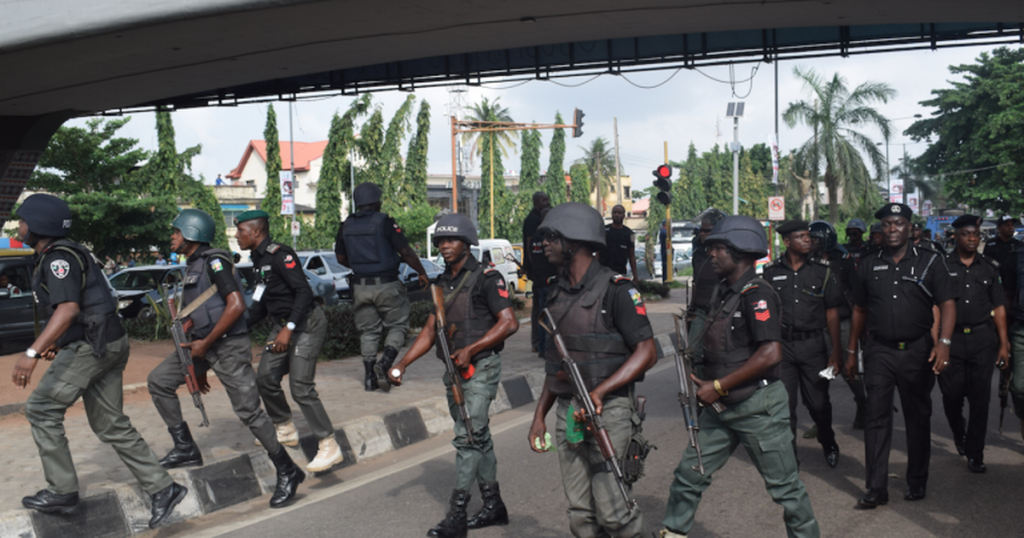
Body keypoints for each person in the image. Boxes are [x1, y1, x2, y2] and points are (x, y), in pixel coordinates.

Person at [11, 194, 186, 527]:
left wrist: (31, 353)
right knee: (110, 423)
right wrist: (58, 341)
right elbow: (87, 305)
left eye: (22, 221)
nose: (19, 226)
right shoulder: (70, 252)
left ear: (38, 225)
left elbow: (68, 309)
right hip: (109, 341)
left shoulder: (58, 258)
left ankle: (62, 491)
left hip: (91, 347)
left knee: (41, 409)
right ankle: (164, 488)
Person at [661, 215, 819, 538]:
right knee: (689, 475)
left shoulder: (757, 294)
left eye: (718, 248)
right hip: (720, 408)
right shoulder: (723, 292)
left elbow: (770, 354)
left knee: (785, 490)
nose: (711, 254)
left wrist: (717, 386)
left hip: (757, 407)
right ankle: (673, 532)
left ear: (740, 251)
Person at [146, 209, 305, 508]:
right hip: (201, 347)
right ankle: (185, 446)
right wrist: (198, 365)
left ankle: (287, 470)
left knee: (249, 412)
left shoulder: (215, 262)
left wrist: (205, 345)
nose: (172, 237)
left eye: (177, 232)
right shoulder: (193, 265)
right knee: (158, 381)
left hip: (227, 346)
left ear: (192, 233)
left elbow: (235, 305)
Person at [528, 202, 657, 538]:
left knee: (615, 514)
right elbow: (555, 367)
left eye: (552, 237)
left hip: (609, 411)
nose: (545, 243)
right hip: (568, 412)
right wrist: (539, 416)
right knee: (581, 517)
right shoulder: (555, 293)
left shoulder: (618, 290)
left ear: (576, 239)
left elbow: (647, 352)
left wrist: (600, 391)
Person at [388, 213, 519, 538]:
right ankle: (494, 505)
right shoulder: (441, 283)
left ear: (467, 243)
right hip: (454, 372)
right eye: (440, 241)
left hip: (481, 367)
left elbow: (509, 323)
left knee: (467, 437)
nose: (444, 246)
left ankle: (457, 515)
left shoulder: (487, 278)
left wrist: (471, 349)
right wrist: (402, 364)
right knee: (478, 437)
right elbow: (430, 329)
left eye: (451, 240)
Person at [844, 202, 956, 509]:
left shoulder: (931, 261)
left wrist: (944, 342)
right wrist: (851, 351)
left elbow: (947, 303)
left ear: (909, 227)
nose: (892, 229)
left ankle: (916, 480)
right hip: (879, 350)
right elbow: (860, 310)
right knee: (876, 417)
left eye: (898, 223)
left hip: (918, 350)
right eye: (887, 224)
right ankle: (876, 487)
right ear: (881, 229)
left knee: (917, 416)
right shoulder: (867, 263)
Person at [236, 210, 344, 473]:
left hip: (306, 324)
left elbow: (304, 292)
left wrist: (289, 328)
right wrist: (235, 329)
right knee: (265, 376)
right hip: (283, 326)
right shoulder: (257, 260)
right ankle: (284, 427)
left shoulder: (281, 255)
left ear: (256, 231)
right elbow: (260, 303)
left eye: (241, 230)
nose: (237, 235)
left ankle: (329, 444)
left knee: (301, 387)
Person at [763, 220, 843, 467]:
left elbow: (832, 312)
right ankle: (790, 459)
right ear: (787, 242)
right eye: (801, 236)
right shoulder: (770, 272)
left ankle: (828, 440)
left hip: (813, 347)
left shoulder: (822, 271)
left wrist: (836, 352)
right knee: (785, 406)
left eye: (808, 236)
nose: (808, 240)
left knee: (818, 404)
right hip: (783, 348)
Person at [335, 182, 428, 392]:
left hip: (360, 287)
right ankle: (385, 364)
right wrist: (421, 272)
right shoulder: (385, 222)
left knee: (368, 332)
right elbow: (406, 251)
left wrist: (360, 267)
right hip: (387, 284)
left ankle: (369, 378)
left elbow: (340, 258)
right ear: (377, 202)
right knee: (398, 326)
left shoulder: (346, 225)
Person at [938, 215, 1010, 473]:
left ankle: (975, 453)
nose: (972, 238)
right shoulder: (942, 266)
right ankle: (959, 432)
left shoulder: (989, 267)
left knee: (980, 399)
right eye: (966, 234)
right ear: (955, 236)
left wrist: (1003, 344)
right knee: (951, 395)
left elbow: (999, 307)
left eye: (975, 235)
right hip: (952, 340)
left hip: (982, 339)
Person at [813, 221, 866, 430]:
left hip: (843, 321)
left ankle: (862, 402)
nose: (812, 242)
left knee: (847, 370)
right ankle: (820, 420)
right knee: (817, 374)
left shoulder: (844, 260)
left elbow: (857, 294)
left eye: (816, 239)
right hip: (816, 323)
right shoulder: (808, 261)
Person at [687, 209, 728, 377]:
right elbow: (696, 283)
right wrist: (691, 308)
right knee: (693, 352)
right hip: (700, 310)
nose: (702, 234)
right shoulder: (698, 254)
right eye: (701, 230)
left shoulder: (727, 255)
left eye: (707, 230)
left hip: (720, 311)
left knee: (720, 352)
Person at [522, 191, 552, 354]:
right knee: (540, 309)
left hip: (545, 275)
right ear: (535, 202)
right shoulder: (533, 221)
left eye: (548, 200)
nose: (547, 202)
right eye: (543, 200)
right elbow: (529, 246)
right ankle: (538, 343)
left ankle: (543, 343)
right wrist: (533, 267)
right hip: (540, 274)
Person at [527, 207, 557, 357]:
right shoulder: (550, 237)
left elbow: (532, 258)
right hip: (549, 282)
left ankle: (541, 347)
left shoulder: (534, 238)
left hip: (538, 281)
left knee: (541, 315)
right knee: (549, 315)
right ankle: (546, 348)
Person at [985, 215, 1022, 304]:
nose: (1011, 228)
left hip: (1014, 285)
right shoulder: (991, 244)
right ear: (999, 228)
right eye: (1007, 225)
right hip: (995, 282)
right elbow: (985, 261)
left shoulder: (1019, 245)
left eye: (1012, 225)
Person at [598, 204, 639, 282]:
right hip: (603, 271)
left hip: (620, 272)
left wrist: (635, 276)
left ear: (624, 215)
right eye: (614, 212)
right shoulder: (604, 230)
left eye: (619, 213)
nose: (617, 215)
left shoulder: (629, 234)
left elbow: (631, 255)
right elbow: (598, 252)